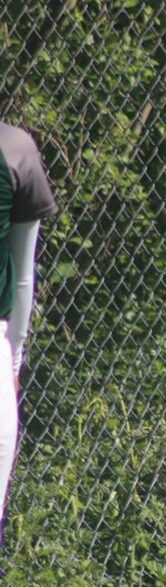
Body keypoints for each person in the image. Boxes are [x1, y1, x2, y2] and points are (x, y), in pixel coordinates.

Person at [0, 123, 58, 552]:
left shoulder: (14, 148)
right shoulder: (13, 147)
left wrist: (13, 359)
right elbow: (23, 280)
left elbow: (22, 278)